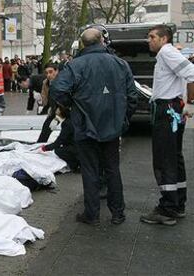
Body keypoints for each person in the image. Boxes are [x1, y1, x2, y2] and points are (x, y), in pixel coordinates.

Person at [50, 28, 138, 226]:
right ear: (102, 40)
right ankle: (118, 213)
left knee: (90, 170)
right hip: (112, 126)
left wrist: (73, 105)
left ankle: (92, 214)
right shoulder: (120, 63)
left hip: (86, 126)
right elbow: (132, 96)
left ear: (83, 44)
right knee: (112, 169)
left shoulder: (75, 65)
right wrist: (123, 119)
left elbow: (57, 89)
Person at [140, 25, 194, 226]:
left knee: (164, 160)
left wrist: (191, 103)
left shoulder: (167, 52)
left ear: (164, 39)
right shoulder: (168, 54)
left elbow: (192, 73)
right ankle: (177, 204)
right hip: (172, 108)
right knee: (174, 157)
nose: (149, 40)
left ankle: (168, 209)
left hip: (167, 111)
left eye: (152, 37)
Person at [39, 105, 79, 171]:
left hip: (75, 147)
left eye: (57, 109)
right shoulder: (71, 120)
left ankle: (75, 165)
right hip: (78, 145)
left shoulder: (66, 124)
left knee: (59, 151)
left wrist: (46, 148)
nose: (56, 110)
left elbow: (60, 140)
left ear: (61, 111)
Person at [36, 63, 60, 143]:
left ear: (56, 71)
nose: (48, 75)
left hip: (65, 111)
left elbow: (66, 103)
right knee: (46, 126)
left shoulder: (63, 82)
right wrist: (40, 101)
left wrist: (58, 118)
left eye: (51, 72)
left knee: (67, 130)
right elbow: (45, 99)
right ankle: (40, 144)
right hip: (54, 109)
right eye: (46, 73)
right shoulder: (45, 83)